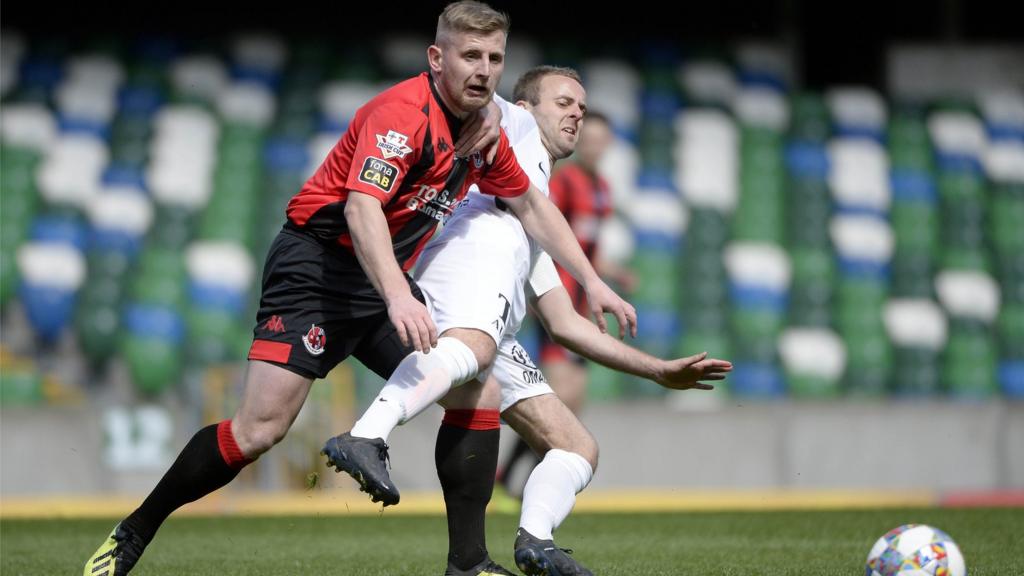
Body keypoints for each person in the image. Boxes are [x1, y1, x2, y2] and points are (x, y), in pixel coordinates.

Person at [82, 3, 634, 575]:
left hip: (382, 276)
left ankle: (468, 564)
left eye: (494, 58)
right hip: (317, 268)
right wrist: (398, 295)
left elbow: (530, 204)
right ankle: (133, 532)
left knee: (478, 391)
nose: (484, 69)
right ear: (436, 58)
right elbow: (362, 208)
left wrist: (592, 280)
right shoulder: (401, 115)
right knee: (259, 430)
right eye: (470, 55)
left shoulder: (482, 130)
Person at [322, 65, 731, 576]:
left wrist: (658, 370)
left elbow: (565, 324)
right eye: (563, 103)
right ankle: (367, 434)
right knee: (474, 348)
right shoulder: (511, 125)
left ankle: (536, 541)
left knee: (577, 447)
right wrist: (491, 104)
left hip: (496, 304)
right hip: (467, 255)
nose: (576, 114)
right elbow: (483, 103)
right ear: (528, 107)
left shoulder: (529, 216)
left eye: (581, 107)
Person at [496, 110, 635, 500]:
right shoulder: (565, 182)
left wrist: (613, 274)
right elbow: (548, 235)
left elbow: (586, 249)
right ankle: (513, 480)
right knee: (560, 397)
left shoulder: (602, 188)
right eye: (588, 138)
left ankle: (517, 478)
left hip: (584, 306)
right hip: (559, 303)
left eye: (601, 140)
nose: (594, 145)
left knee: (574, 400)